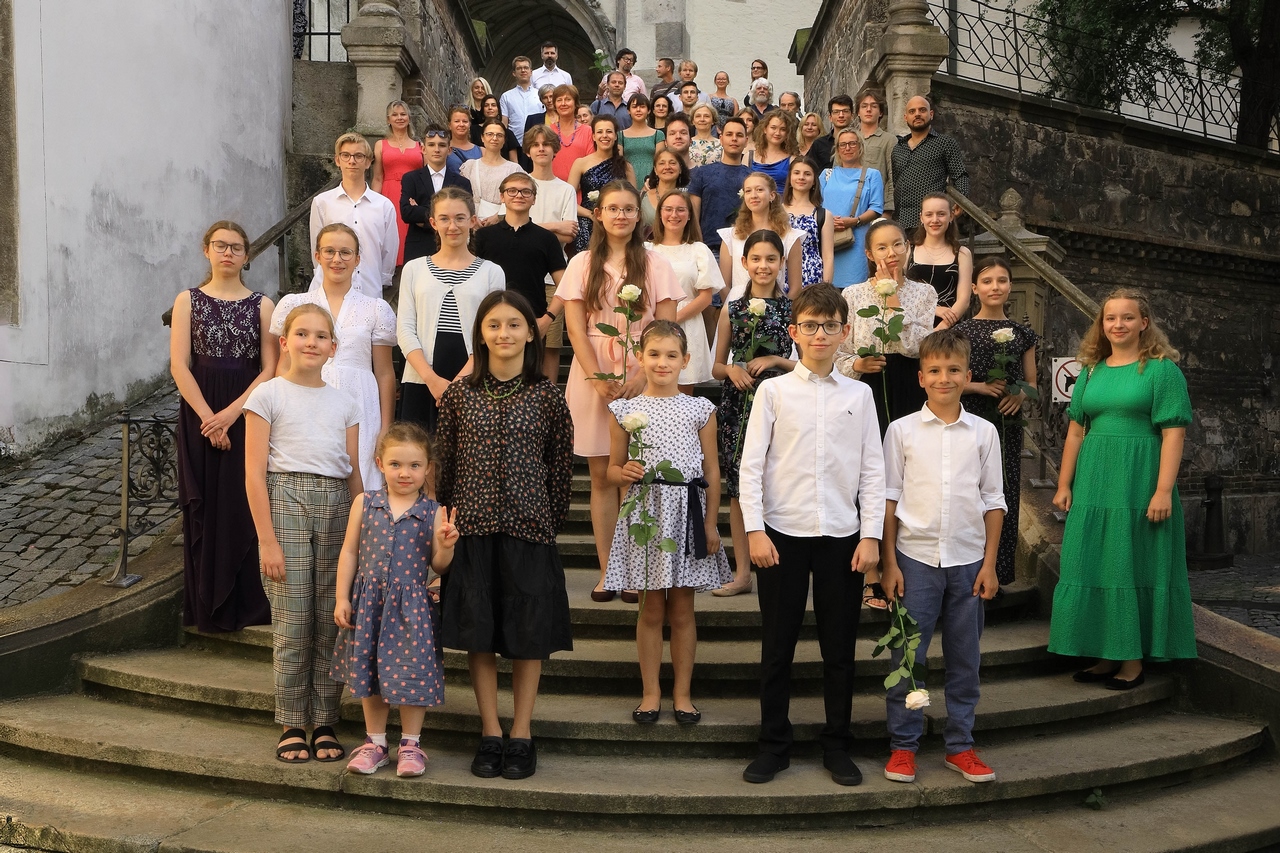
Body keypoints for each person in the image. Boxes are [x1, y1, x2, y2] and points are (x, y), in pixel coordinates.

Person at [738, 283, 885, 786]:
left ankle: (837, 745)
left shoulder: (860, 395)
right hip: (782, 533)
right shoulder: (773, 392)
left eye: (829, 326)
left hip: (842, 535)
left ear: (845, 332)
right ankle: (773, 745)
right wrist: (755, 530)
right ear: (793, 332)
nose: (820, 334)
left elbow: (872, 470)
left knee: (839, 649)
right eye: (810, 326)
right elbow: (751, 466)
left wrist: (871, 536)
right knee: (777, 647)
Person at [436, 290, 576, 780]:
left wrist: (547, 522)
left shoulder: (547, 396)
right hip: (472, 530)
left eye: (514, 324)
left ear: (530, 333)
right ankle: (491, 731)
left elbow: (560, 467)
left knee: (528, 637)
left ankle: (521, 733)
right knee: (479, 635)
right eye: (493, 324)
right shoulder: (459, 395)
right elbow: (444, 464)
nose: (504, 333)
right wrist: (447, 523)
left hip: (528, 530)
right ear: (480, 334)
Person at [1049, 289, 1196, 688]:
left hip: (1139, 479)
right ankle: (1105, 653)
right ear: (1102, 324)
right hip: (1094, 480)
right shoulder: (1090, 371)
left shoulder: (1162, 371)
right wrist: (1064, 483)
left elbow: (1174, 433)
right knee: (1093, 561)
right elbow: (1076, 431)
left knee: (1128, 563)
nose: (1118, 325)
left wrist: (1163, 490)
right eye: (1110, 318)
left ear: (1144, 323)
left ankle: (1131, 661)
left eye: (1127, 317)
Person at [880, 327, 1005, 787]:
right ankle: (903, 746)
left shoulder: (984, 433)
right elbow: (888, 499)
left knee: (965, 659)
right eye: (934, 370)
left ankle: (960, 746)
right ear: (921, 378)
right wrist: (889, 563)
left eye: (953, 370)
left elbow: (994, 501)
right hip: (914, 559)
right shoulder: (901, 431)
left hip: (969, 561)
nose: (944, 378)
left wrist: (990, 564)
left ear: (968, 376)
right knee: (907, 657)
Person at [244, 302, 363, 764]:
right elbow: (254, 475)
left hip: (336, 505)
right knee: (294, 619)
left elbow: (352, 472)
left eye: (320, 336)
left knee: (331, 619)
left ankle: (326, 719)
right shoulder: (267, 395)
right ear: (285, 342)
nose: (311, 342)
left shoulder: (345, 403)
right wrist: (267, 540)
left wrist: (363, 528)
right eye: (302, 334)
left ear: (333, 347)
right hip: (285, 500)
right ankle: (293, 721)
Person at [555, 180, 681, 602]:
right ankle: (609, 568)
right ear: (599, 214)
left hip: (645, 371)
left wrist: (643, 376)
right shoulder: (581, 263)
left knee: (636, 474)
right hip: (593, 371)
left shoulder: (657, 263)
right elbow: (575, 327)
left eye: (629, 208)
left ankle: (635, 568)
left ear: (638, 215)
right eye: (613, 208)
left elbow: (666, 327)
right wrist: (596, 378)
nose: (621, 215)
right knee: (601, 476)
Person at [606, 320, 732, 724]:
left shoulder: (700, 409)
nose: (662, 362)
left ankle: (682, 693)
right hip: (646, 515)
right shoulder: (624, 410)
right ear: (639, 357)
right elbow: (610, 469)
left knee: (681, 611)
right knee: (650, 610)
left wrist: (710, 524)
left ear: (686, 360)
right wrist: (623, 472)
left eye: (671, 355)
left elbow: (711, 470)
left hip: (687, 514)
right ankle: (650, 692)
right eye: (654, 354)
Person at [331, 423, 459, 777]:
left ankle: (411, 745)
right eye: (396, 464)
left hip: (411, 609)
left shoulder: (433, 511)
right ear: (380, 463)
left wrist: (446, 546)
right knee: (370, 670)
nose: (405, 473)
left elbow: (439, 566)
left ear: (428, 468)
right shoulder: (365, 502)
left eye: (415, 465)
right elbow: (349, 552)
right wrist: (342, 597)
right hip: (369, 603)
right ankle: (375, 743)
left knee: (411, 673)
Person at [172, 221, 277, 634]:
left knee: (241, 502)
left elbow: (269, 368)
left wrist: (232, 414)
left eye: (235, 247)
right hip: (198, 413)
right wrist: (207, 417)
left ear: (247, 255)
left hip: (246, 411)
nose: (228, 253)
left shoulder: (263, 305)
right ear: (207, 250)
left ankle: (246, 603)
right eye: (220, 245)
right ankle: (206, 607)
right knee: (206, 504)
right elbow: (179, 365)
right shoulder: (187, 300)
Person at [272, 224, 397, 491]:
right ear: (317, 256)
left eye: (345, 252)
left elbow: (385, 372)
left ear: (357, 259)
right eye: (329, 251)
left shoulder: (375, 309)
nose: (337, 259)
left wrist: (385, 427)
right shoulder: (294, 304)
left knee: (360, 476)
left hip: (360, 401)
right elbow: (283, 365)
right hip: (306, 400)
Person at [711, 231, 794, 597]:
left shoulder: (794, 309)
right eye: (756, 259)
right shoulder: (732, 308)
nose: (763, 266)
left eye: (771, 259)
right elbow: (716, 366)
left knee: (779, 481)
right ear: (744, 263)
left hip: (782, 403)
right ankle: (743, 573)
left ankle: (781, 569)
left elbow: (808, 365)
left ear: (781, 263)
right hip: (738, 404)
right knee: (739, 488)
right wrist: (732, 370)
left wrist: (776, 359)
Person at [955, 257, 1036, 587]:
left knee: (1003, 490)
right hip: (969, 416)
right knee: (968, 487)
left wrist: (1020, 396)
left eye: (1002, 280)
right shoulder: (961, 331)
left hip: (1006, 422)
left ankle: (998, 573)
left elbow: (1031, 381)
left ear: (1010, 286)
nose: (995, 287)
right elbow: (950, 379)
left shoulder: (1023, 334)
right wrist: (979, 387)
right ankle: (965, 569)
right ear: (974, 288)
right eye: (987, 281)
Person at [398, 188, 506, 432]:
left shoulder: (491, 272)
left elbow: (493, 331)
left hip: (473, 375)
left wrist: (457, 383)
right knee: (419, 450)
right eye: (444, 219)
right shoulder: (414, 269)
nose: (453, 226)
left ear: (472, 220)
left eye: (460, 218)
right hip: (422, 376)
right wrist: (432, 380)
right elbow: (404, 329)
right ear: (433, 223)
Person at [835, 218, 938, 434]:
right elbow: (838, 351)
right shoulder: (853, 294)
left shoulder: (924, 293)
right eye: (882, 248)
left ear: (907, 246)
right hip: (867, 383)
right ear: (869, 254)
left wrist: (892, 299)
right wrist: (857, 364)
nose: (891, 253)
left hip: (909, 382)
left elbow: (918, 347)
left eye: (897, 244)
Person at [475, 172, 568, 381]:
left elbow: (565, 285)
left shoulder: (546, 239)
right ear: (502, 196)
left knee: (529, 383)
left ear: (534, 199)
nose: (519, 195)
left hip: (532, 323)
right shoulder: (484, 236)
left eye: (526, 191)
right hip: (491, 323)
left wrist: (547, 319)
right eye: (512, 191)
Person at [646, 189, 721, 390]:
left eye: (680, 210)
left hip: (687, 324)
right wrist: (659, 323)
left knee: (684, 391)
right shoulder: (647, 250)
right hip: (652, 323)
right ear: (660, 213)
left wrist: (672, 320)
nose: (674, 214)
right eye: (668, 209)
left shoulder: (699, 250)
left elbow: (705, 297)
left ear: (689, 215)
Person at [309, 132, 397, 298]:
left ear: (368, 162)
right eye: (346, 155)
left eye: (358, 156)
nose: (352, 161)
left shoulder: (384, 206)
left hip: (369, 290)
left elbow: (389, 252)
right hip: (328, 293)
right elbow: (317, 248)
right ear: (337, 160)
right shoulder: (322, 202)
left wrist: (380, 279)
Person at [523, 126, 580, 380]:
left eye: (546, 144)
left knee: (552, 344)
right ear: (528, 151)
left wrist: (531, 226)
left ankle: (549, 398)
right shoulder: (520, 185)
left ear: (555, 150)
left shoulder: (565, 189)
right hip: (521, 273)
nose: (541, 149)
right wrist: (555, 226)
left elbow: (569, 235)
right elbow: (512, 227)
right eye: (535, 145)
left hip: (553, 276)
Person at [718, 172, 803, 299]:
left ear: (772, 195)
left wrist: (781, 309)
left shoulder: (790, 236)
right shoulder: (731, 236)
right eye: (748, 191)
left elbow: (796, 287)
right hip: (738, 306)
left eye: (759, 190)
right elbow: (724, 285)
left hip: (775, 305)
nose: (753, 195)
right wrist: (735, 307)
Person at [891, 95, 970, 230]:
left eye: (922, 110)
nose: (917, 114)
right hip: (900, 221)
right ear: (906, 117)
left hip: (930, 221)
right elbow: (895, 182)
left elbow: (960, 175)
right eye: (912, 111)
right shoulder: (898, 149)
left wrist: (960, 202)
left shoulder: (944, 143)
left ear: (931, 114)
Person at [819, 129, 884, 287]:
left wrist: (855, 221)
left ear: (860, 146)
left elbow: (876, 208)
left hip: (857, 242)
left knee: (855, 288)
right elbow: (816, 205)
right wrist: (827, 222)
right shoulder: (826, 175)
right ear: (837, 149)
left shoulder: (872, 175)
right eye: (843, 145)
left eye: (852, 144)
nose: (847, 148)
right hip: (829, 240)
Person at [402, 124, 473, 264]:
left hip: (453, 248)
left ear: (449, 150)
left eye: (442, 145)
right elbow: (407, 213)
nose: (436, 149)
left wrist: (421, 214)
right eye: (431, 145)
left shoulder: (462, 183)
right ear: (423, 149)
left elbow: (465, 215)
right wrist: (446, 216)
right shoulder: (411, 178)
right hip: (419, 247)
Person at [566, 115, 636, 255]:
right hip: (587, 223)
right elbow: (567, 200)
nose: (604, 135)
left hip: (617, 222)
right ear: (593, 136)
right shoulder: (581, 163)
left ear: (615, 136)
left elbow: (634, 201)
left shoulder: (626, 166)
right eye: (600, 132)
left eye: (609, 131)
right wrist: (591, 214)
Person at [687, 116, 750, 261]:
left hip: (743, 249)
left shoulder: (752, 177)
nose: (734, 139)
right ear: (721, 139)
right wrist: (700, 248)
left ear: (746, 141)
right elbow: (694, 215)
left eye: (739, 135)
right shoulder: (702, 173)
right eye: (729, 134)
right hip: (710, 249)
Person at [909, 193, 973, 327]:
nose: (935, 220)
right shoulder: (908, 250)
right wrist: (934, 310)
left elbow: (963, 301)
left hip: (948, 329)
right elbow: (900, 292)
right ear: (921, 218)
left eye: (941, 214)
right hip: (912, 326)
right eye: (929, 214)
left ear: (951, 216)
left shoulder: (962, 253)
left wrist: (940, 329)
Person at [370, 100, 421, 269]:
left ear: (409, 117)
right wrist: (372, 203)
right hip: (389, 193)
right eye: (395, 114)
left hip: (412, 196)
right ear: (388, 119)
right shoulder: (380, 145)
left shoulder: (420, 146)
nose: (399, 118)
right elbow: (378, 177)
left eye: (403, 114)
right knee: (390, 232)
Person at [459, 120, 526, 221]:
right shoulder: (470, 166)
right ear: (482, 137)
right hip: (471, 221)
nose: (494, 138)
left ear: (504, 140)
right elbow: (460, 196)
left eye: (499, 135)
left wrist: (498, 216)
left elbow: (519, 198)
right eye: (489, 134)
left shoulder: (513, 169)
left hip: (502, 222)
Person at [783, 158, 834, 288]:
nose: (801, 177)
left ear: (814, 180)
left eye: (807, 174)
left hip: (811, 278)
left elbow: (828, 256)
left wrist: (825, 288)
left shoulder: (823, 214)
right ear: (790, 177)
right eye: (796, 173)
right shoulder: (776, 211)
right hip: (781, 275)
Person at [855, 86, 896, 216]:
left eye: (874, 106)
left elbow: (892, 176)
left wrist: (888, 210)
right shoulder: (849, 139)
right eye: (864, 106)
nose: (868, 109)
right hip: (850, 205)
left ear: (881, 112)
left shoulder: (889, 140)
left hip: (876, 206)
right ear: (858, 112)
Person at [546, 84, 594, 184]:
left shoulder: (588, 131)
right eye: (559, 100)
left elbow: (591, 164)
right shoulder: (548, 132)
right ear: (554, 104)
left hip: (580, 188)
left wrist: (573, 187)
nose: (563, 103)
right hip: (552, 188)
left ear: (576, 103)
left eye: (568, 99)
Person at [640, 148, 690, 233]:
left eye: (672, 163)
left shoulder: (687, 198)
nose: (667, 167)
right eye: (662, 163)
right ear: (655, 170)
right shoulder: (642, 197)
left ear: (680, 169)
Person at [621, 94, 665, 187]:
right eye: (634, 107)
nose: (638, 110)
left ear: (648, 110)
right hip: (627, 184)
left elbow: (660, 162)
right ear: (628, 110)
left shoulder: (658, 134)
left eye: (642, 106)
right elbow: (619, 164)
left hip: (652, 183)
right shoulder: (620, 135)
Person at [499, 55, 541, 146]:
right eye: (519, 68)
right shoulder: (506, 96)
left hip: (537, 143)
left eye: (526, 68)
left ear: (531, 72)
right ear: (514, 73)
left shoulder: (540, 95)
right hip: (514, 144)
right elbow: (504, 123)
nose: (523, 70)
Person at [751, 110, 797, 190]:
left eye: (783, 129)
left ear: (787, 133)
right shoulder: (749, 156)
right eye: (773, 128)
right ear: (765, 129)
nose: (777, 133)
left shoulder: (792, 160)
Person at [808, 94, 855, 169]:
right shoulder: (819, 144)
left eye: (845, 111)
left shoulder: (859, 143)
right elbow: (810, 169)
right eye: (836, 112)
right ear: (830, 117)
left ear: (852, 116)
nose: (841, 115)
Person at [472, 96, 522, 163]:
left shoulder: (508, 133)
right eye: (486, 105)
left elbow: (514, 160)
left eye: (493, 105)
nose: (490, 108)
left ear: (498, 109)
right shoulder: (473, 130)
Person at [446, 105, 482, 173]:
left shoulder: (482, 151)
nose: (461, 124)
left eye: (465, 121)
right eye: (457, 121)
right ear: (450, 125)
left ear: (469, 124)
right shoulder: (443, 149)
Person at [688, 104, 723, 168]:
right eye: (698, 116)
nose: (702, 119)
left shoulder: (721, 144)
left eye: (706, 116)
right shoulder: (686, 143)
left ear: (713, 121)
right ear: (693, 121)